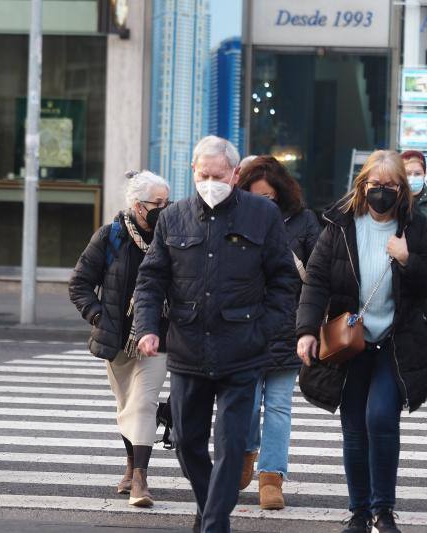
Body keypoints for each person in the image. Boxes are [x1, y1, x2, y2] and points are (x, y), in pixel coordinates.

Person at [133, 136, 298, 533]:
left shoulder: (262, 215)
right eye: (203, 175)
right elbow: (151, 279)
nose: (210, 182)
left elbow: (283, 281)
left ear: (235, 175)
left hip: (243, 350)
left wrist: (265, 330)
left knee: (230, 444)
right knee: (187, 442)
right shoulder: (174, 218)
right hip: (188, 349)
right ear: (193, 172)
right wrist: (147, 327)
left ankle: (212, 525)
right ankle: (211, 510)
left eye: (218, 175)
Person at [296, 150, 427, 533]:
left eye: (390, 186)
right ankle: (359, 511)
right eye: (375, 185)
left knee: (380, 418)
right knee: (353, 428)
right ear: (363, 185)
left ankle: (383, 509)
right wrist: (306, 331)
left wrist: (408, 259)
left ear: (403, 190)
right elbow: (316, 282)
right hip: (351, 343)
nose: (382, 192)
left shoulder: (417, 229)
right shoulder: (340, 225)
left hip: (396, 343)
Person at [68, 170, 171, 508]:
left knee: (144, 402)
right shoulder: (111, 236)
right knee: (127, 405)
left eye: (167, 202)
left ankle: (140, 478)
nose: (164, 208)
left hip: (159, 336)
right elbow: (79, 283)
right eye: (158, 203)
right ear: (138, 206)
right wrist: (99, 316)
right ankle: (130, 465)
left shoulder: (171, 236)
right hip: (119, 339)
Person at [236, 155, 321, 510]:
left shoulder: (303, 221)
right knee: (247, 403)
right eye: (255, 196)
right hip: (245, 326)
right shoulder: (234, 216)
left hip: (289, 326)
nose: (262, 203)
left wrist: (312, 324)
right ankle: (244, 455)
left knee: (279, 407)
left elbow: (318, 272)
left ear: (281, 193)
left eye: (268, 197)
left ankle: (272, 477)